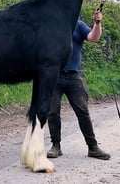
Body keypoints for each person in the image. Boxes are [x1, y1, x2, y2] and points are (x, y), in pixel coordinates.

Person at [47, 10, 110, 160]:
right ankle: (56, 146)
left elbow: (93, 37)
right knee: (52, 112)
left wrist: (97, 23)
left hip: (74, 76)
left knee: (83, 112)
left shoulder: (79, 25)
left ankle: (93, 148)